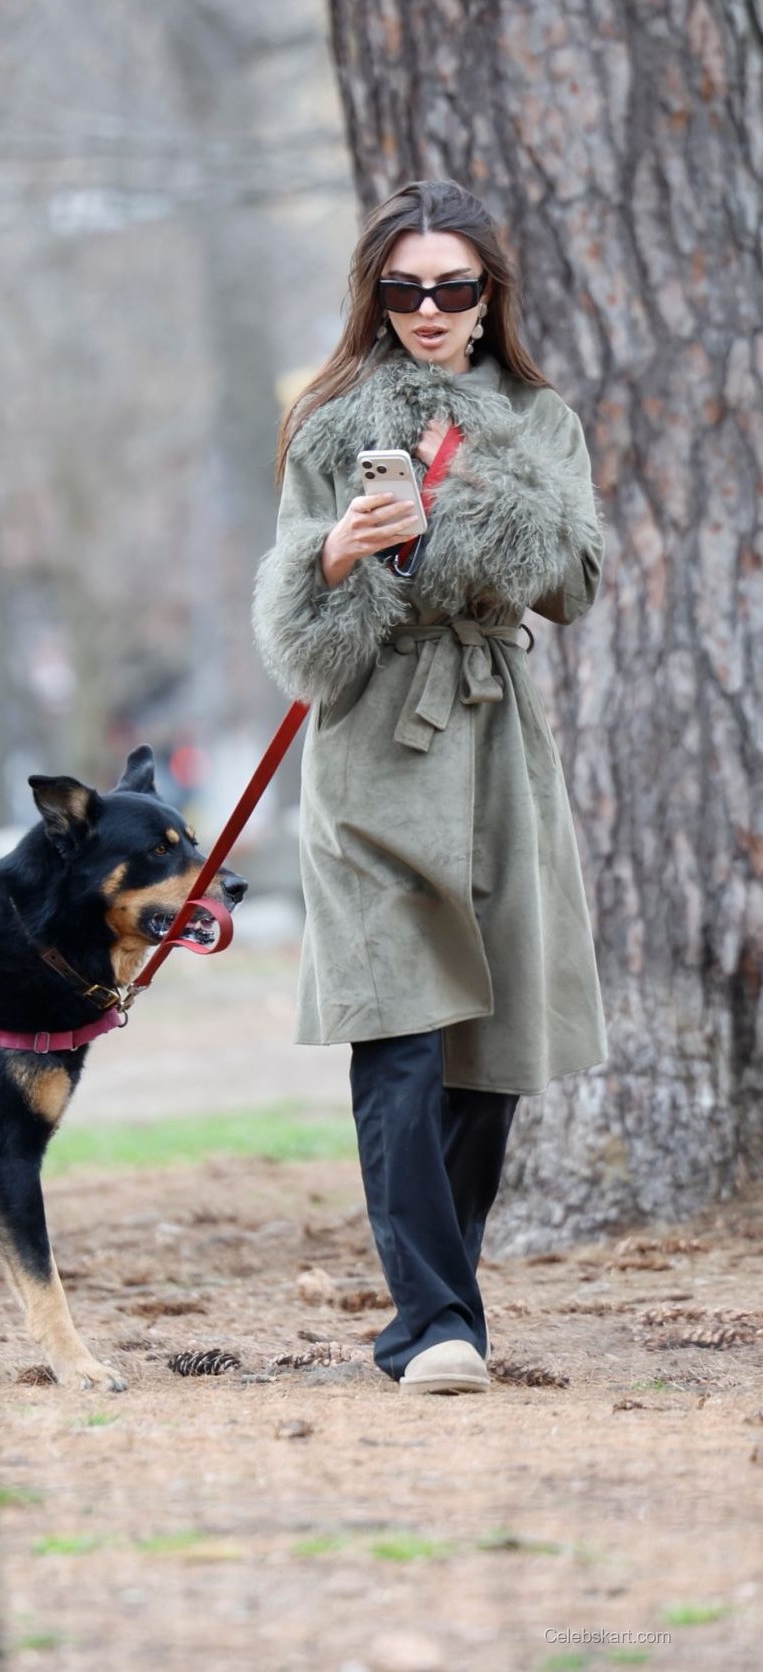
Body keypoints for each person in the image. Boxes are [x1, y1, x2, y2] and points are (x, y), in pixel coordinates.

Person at [252, 179, 606, 1395]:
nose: (429, 310)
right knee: (395, 1034)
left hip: (495, 748)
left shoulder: (538, 415)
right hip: (368, 756)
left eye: (453, 287)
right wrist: (337, 554)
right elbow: (299, 641)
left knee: (486, 1054)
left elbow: (576, 577)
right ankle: (440, 1322)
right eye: (405, 288)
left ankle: (434, 1309)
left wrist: (457, 507)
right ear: (377, 293)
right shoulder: (328, 416)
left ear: (489, 293)